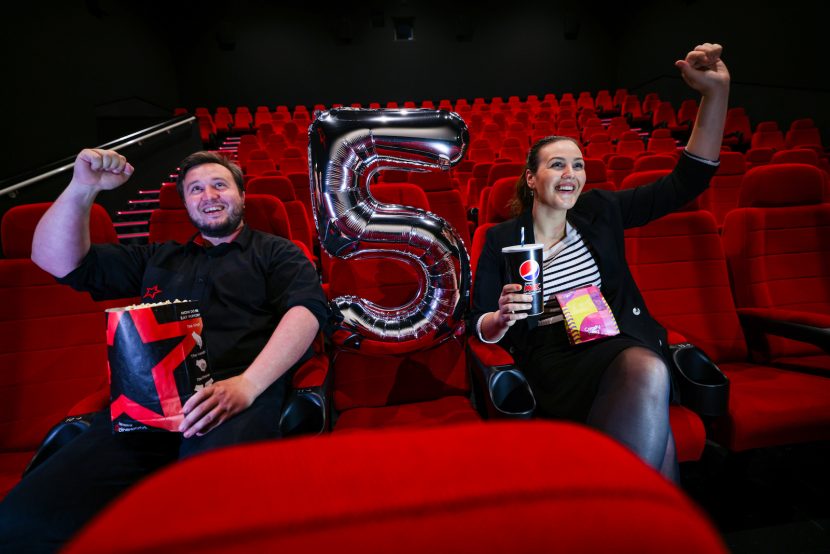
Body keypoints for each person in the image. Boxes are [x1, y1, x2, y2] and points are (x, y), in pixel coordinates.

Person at [0, 149, 329, 551]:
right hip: (147, 409)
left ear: (241, 196)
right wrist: (82, 188)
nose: (208, 195)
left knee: (201, 517)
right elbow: (55, 261)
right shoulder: (158, 256)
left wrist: (247, 385)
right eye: (195, 189)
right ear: (186, 203)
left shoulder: (277, 253)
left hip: (234, 399)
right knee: (24, 517)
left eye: (219, 184)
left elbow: (306, 312)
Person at [471, 43, 730, 481]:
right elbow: (479, 321)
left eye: (578, 164)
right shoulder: (500, 238)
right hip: (551, 358)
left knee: (646, 366)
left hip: (612, 340)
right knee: (657, 429)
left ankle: (624, 523)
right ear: (531, 178)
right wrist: (500, 318)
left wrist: (715, 95)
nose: (571, 173)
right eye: (557, 164)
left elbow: (687, 181)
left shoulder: (602, 211)